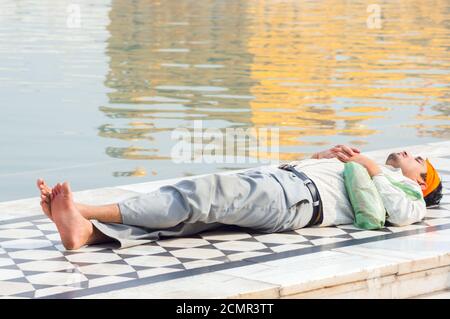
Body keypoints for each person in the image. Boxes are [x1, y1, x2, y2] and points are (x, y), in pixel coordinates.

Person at [36, 145, 443, 250]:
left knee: (203, 192)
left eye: (419, 160)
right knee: (187, 220)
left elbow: (406, 214)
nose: (411, 154)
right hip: (286, 187)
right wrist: (316, 159)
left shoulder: (410, 193)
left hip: (294, 200)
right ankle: (87, 233)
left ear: (422, 181)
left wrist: (372, 168)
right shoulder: (376, 169)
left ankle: (81, 209)